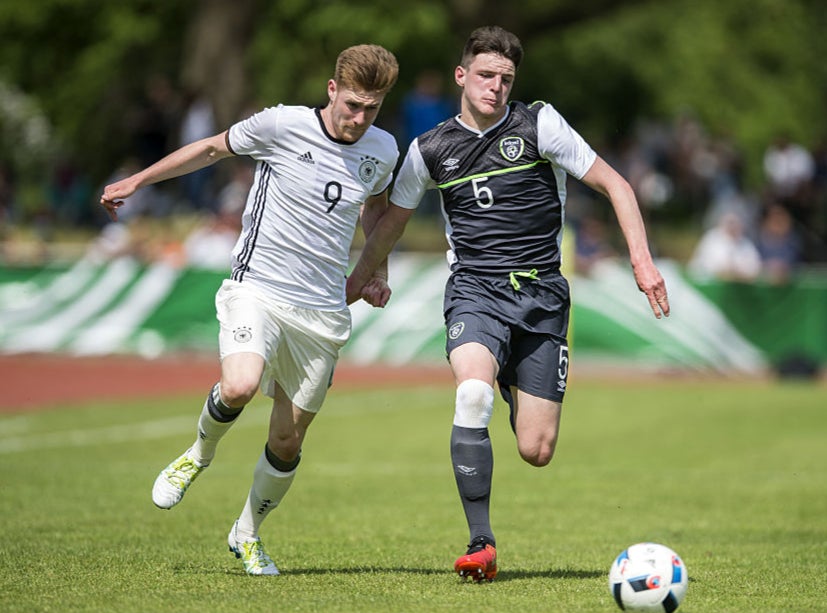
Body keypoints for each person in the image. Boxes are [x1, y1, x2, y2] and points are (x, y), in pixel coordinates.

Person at [346, 26, 669, 582]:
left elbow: (617, 185)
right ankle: (481, 541)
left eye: (506, 78)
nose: (496, 87)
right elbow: (388, 224)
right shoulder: (429, 149)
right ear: (462, 76)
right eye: (486, 75)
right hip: (475, 290)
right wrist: (354, 286)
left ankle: (512, 375)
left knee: (536, 449)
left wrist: (642, 262)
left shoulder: (539, 122)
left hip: (543, 297)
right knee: (471, 393)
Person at [100, 44, 399, 576]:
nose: (359, 118)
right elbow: (211, 149)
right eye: (352, 104)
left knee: (287, 438)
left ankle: (247, 533)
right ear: (332, 90)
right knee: (238, 385)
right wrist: (138, 181)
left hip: (322, 312)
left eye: (371, 109)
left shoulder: (383, 150)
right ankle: (198, 453)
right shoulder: (281, 125)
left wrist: (376, 270)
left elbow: (375, 208)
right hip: (257, 287)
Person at [688, 211, 761, 282]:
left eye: (736, 223)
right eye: (730, 223)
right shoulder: (712, 238)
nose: (733, 226)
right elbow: (713, 267)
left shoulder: (746, 243)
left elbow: (755, 267)